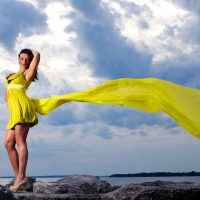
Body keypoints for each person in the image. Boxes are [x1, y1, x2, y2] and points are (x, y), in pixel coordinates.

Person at [4, 49, 40, 192]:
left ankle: (20, 177)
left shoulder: (27, 74)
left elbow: (37, 55)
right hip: (14, 112)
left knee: (20, 141)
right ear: (18, 59)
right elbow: (6, 97)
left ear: (30, 62)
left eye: (27, 59)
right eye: (22, 58)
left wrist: (31, 52)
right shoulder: (11, 76)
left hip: (22, 109)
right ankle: (18, 176)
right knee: (8, 143)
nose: (24, 61)